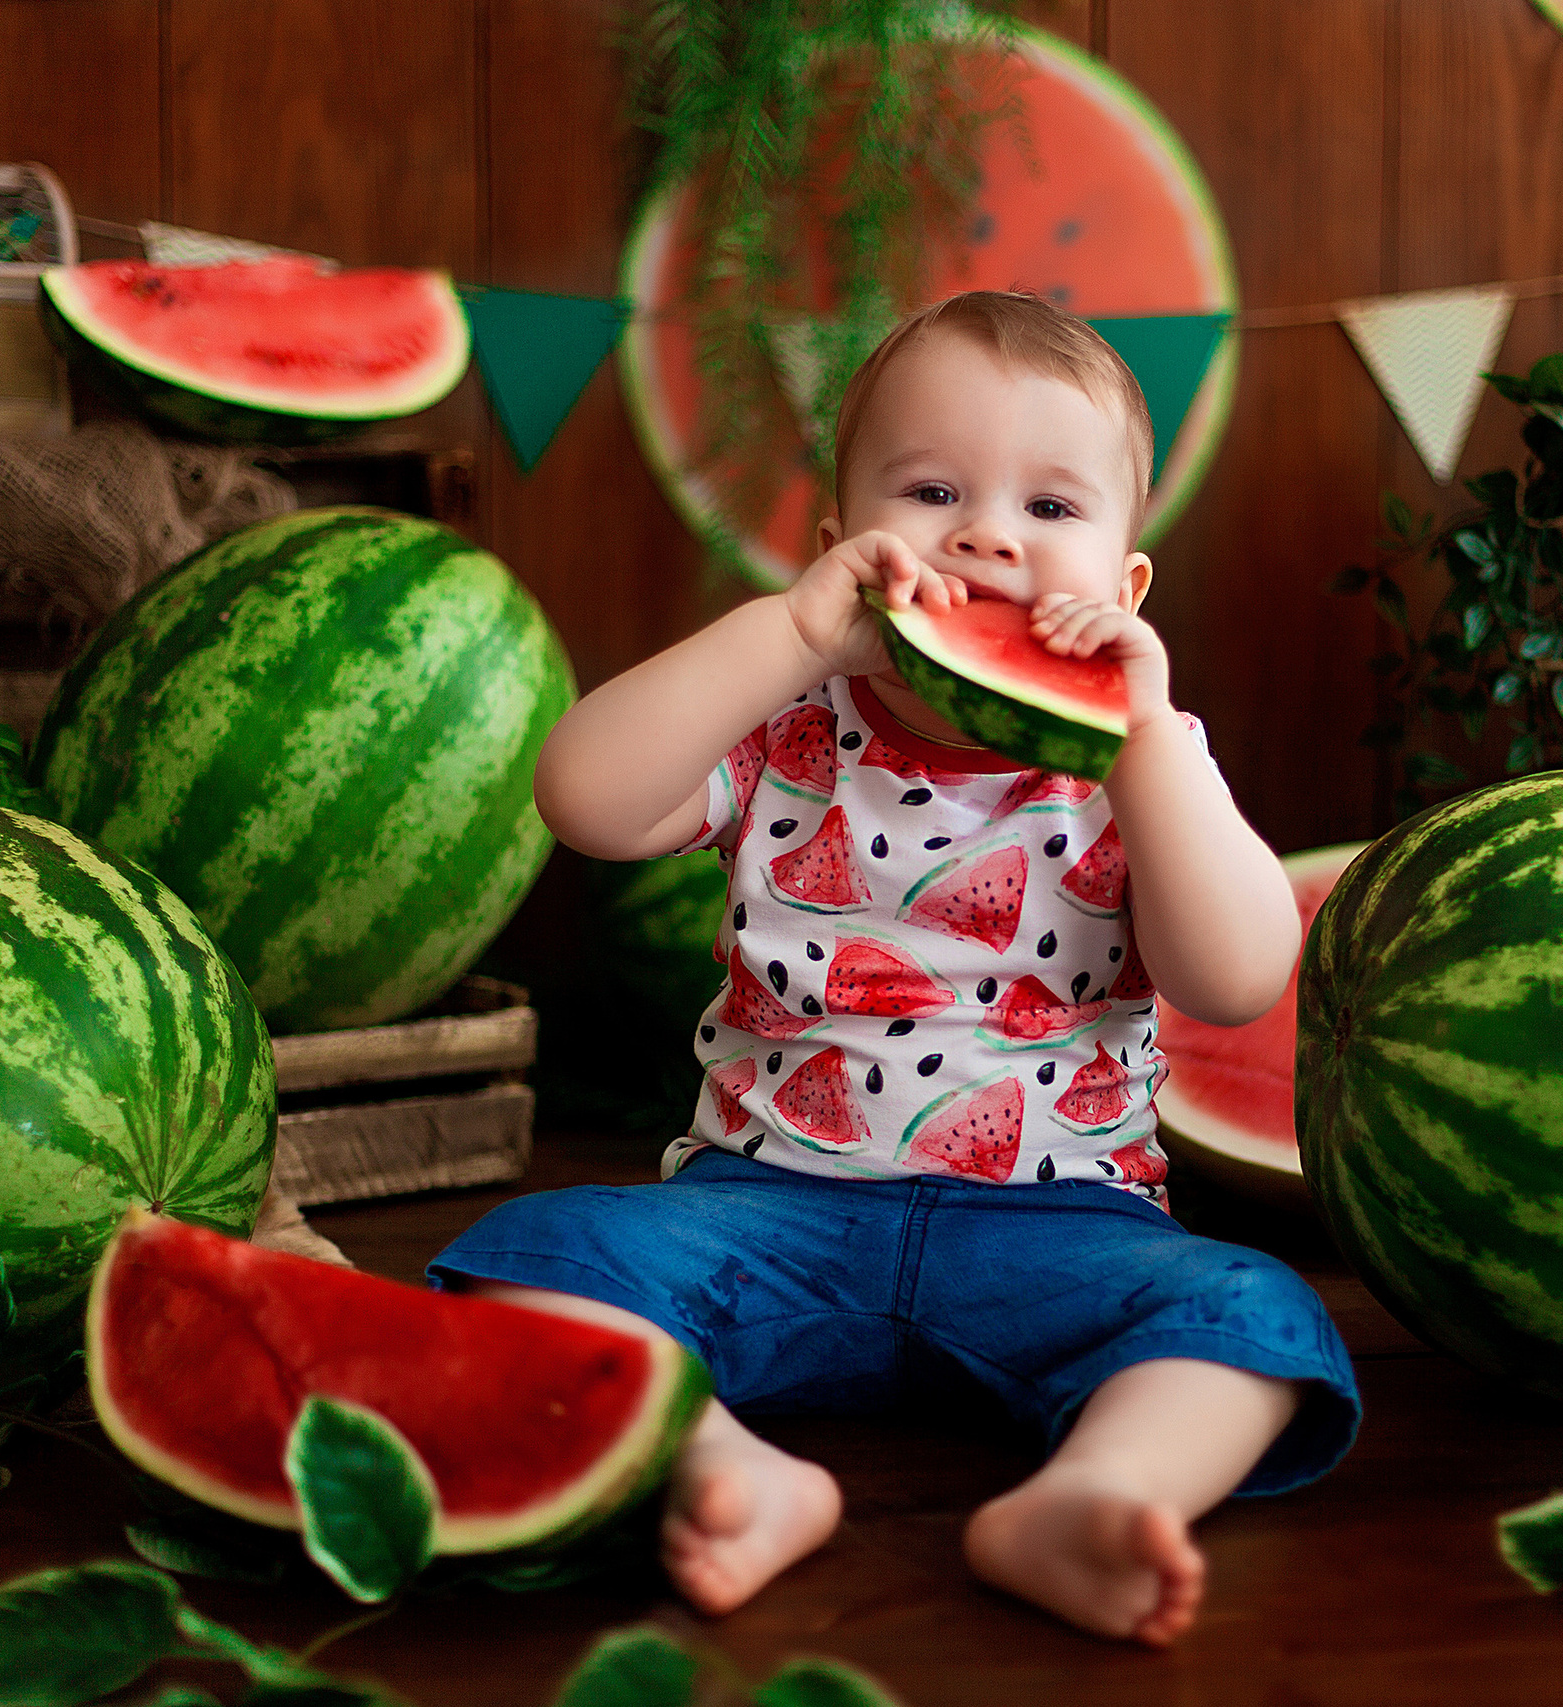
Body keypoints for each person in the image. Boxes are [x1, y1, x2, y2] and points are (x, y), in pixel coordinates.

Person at [430, 290, 1357, 1646]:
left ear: (1126, 587)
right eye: (932, 492)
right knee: (534, 1255)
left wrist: (1148, 741)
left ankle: (1099, 1493)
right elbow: (582, 795)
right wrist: (790, 639)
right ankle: (719, 1468)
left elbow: (1238, 977)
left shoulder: (1140, 767)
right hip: (763, 1212)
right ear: (838, 549)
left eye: (1051, 507)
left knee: (1258, 1315)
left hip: (1064, 1228)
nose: (986, 535)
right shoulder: (784, 728)